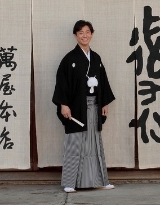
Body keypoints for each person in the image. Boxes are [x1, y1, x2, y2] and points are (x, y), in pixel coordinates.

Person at [52, 20, 115, 193]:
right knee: (75, 143)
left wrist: (104, 103)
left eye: (87, 32)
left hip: (93, 107)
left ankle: (99, 180)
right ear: (75, 35)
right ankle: (70, 183)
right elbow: (62, 83)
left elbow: (103, 82)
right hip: (76, 108)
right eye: (80, 32)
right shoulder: (69, 59)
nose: (84, 35)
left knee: (94, 143)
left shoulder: (96, 58)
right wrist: (64, 105)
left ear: (92, 34)